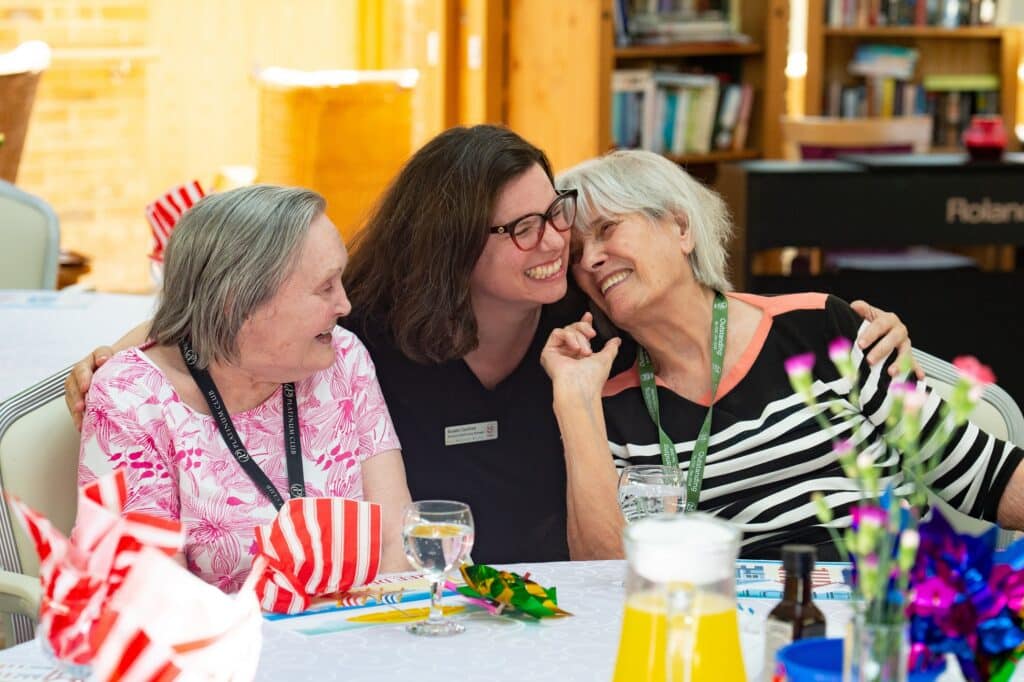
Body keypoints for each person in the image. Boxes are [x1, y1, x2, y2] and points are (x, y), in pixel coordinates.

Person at [66, 125, 915, 565]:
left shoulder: (585, 327)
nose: (556, 243)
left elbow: (710, 309)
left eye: (557, 215)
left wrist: (851, 320)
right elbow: (256, 307)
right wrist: (129, 349)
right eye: (520, 229)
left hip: (562, 618)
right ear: (454, 245)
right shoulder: (364, 339)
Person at [540, 149, 1024, 560]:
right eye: (578, 252)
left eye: (607, 230)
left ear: (680, 228)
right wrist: (574, 401)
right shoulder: (612, 401)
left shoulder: (820, 328)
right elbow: (604, 572)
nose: (590, 260)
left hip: (883, 609)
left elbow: (983, 476)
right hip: (737, 637)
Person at [78, 185, 412, 592]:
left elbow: (396, 536)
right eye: (325, 287)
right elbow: (152, 591)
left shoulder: (342, 359)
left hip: (352, 636)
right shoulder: (133, 397)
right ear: (239, 301)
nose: (344, 305)